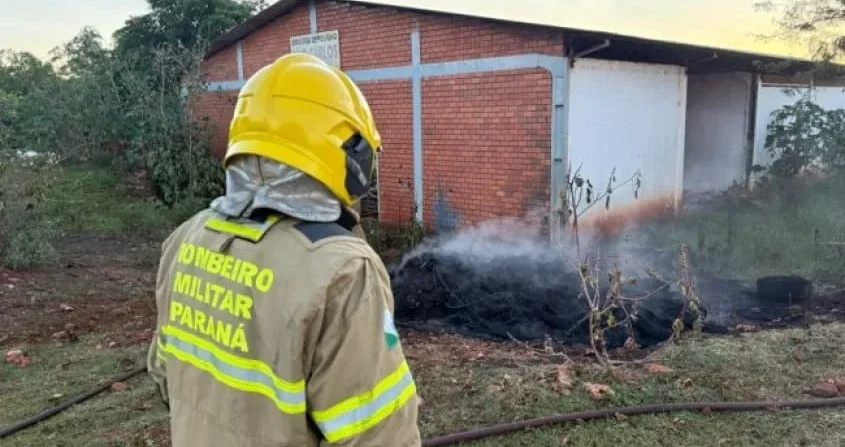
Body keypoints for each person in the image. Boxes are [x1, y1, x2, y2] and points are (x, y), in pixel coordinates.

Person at [146, 53, 421, 447]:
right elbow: (378, 435)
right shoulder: (341, 270)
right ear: (349, 154)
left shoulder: (186, 237)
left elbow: (163, 371)